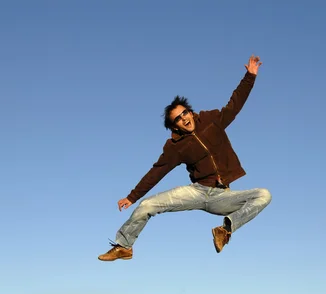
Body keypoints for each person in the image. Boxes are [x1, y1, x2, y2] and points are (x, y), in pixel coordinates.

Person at [98, 55, 271, 261]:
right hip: (196, 192)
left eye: (185, 113)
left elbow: (235, 104)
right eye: (178, 119)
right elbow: (157, 171)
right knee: (146, 206)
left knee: (263, 195)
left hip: (221, 197)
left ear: (190, 111)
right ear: (174, 126)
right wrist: (132, 196)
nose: (184, 119)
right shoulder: (175, 147)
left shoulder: (212, 120)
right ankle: (124, 247)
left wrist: (249, 77)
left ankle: (225, 229)